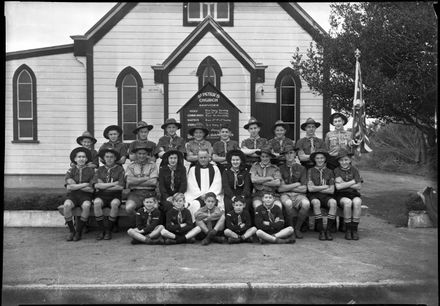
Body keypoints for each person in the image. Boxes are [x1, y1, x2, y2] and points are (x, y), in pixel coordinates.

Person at [277, 144, 310, 239]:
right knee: (287, 203)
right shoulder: (280, 168)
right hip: (285, 194)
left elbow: (304, 188)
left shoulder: (302, 168)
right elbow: (280, 189)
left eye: (291, 153)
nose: (289, 155)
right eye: (286, 154)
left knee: (306, 204)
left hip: (299, 194)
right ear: (284, 156)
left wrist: (287, 187)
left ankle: (297, 228)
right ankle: (290, 227)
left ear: (295, 154)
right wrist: (296, 184)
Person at [62, 147, 95, 241]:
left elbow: (91, 189)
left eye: (83, 157)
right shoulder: (70, 171)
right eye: (79, 157)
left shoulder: (91, 171)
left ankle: (79, 232)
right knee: (67, 205)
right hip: (73, 195)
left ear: (87, 159)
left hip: (86, 196)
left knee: (86, 205)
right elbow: (69, 187)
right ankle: (72, 231)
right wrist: (85, 184)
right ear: (75, 159)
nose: (81, 159)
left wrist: (76, 185)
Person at [92, 147, 125, 240]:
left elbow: (121, 186)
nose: (109, 159)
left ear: (115, 158)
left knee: (115, 204)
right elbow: (97, 185)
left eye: (111, 157)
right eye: (107, 157)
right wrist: (114, 183)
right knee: (97, 203)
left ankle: (108, 230)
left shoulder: (120, 169)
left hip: (115, 195)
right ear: (104, 158)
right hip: (101, 195)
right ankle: (101, 229)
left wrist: (104, 185)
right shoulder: (99, 169)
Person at [184, 149, 223, 221]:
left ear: (209, 158)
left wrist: (208, 195)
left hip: (212, 195)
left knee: (220, 205)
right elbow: (191, 185)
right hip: (197, 196)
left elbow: (217, 183)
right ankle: (195, 224)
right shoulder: (193, 169)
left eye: (205, 157)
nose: (203, 159)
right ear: (198, 158)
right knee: (195, 204)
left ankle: (214, 227)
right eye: (201, 158)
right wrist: (200, 195)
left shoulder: (215, 168)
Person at [307, 150, 337, 241]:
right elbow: (310, 189)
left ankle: (328, 230)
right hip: (314, 196)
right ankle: (321, 231)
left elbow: (331, 190)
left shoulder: (330, 171)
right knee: (316, 203)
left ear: (325, 159)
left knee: (333, 202)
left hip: (326, 196)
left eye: (322, 158)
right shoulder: (310, 171)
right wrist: (325, 186)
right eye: (317, 158)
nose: (320, 160)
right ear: (314, 160)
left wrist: (317, 187)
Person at [334, 149, 363, 240]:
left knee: (357, 202)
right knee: (347, 203)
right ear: (338, 161)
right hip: (341, 195)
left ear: (350, 160)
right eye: (341, 160)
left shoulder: (354, 170)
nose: (344, 162)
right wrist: (353, 181)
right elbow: (338, 187)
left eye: (346, 160)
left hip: (353, 194)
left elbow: (359, 186)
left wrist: (344, 183)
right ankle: (348, 230)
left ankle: (354, 229)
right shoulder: (336, 170)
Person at [125, 143, 158, 215]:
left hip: (150, 193)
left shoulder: (153, 165)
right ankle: (138, 222)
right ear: (136, 154)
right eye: (139, 153)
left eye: (144, 154)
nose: (142, 156)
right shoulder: (131, 166)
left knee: (155, 208)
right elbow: (129, 181)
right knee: (129, 207)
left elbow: (153, 182)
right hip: (135, 193)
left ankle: (150, 225)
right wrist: (146, 178)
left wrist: (136, 180)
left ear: (147, 154)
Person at [250, 145, 282, 210]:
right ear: (260, 157)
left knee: (278, 206)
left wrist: (260, 181)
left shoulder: (275, 168)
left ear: (270, 157)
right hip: (259, 194)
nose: (265, 159)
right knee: (257, 206)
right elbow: (253, 179)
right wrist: (269, 178)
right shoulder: (255, 166)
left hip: (272, 194)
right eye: (263, 156)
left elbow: (277, 182)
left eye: (267, 156)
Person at [158, 150, 187, 218]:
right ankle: (169, 224)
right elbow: (161, 186)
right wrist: (167, 197)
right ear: (167, 159)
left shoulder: (182, 169)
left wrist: (177, 197)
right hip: (166, 196)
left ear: (178, 159)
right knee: (168, 206)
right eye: (171, 158)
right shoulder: (162, 170)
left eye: (175, 158)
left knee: (179, 204)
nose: (173, 160)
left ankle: (179, 223)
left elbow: (183, 184)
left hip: (178, 195)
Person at [222, 150, 252, 214]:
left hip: (243, 194)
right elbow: (226, 186)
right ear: (230, 161)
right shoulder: (226, 172)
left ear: (241, 161)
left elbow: (247, 186)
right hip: (230, 194)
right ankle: (230, 223)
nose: (235, 162)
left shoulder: (245, 171)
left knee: (246, 203)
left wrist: (243, 196)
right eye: (233, 160)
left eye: (237, 160)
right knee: (229, 204)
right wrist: (232, 196)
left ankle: (246, 223)